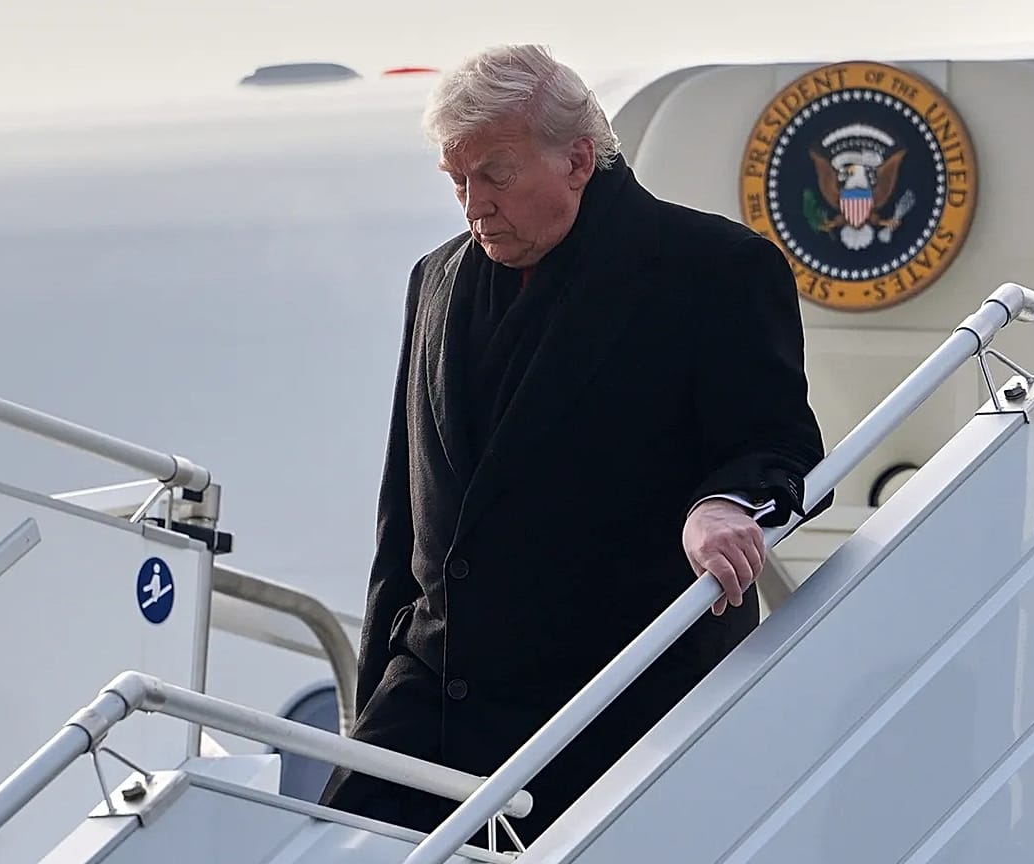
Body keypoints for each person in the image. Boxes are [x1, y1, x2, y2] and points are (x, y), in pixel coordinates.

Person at [318, 44, 828, 847]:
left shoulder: (714, 270)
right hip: (427, 707)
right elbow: (404, 524)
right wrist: (372, 692)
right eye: (457, 180)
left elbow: (781, 445)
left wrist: (722, 504)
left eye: (495, 173)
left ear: (579, 159)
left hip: (611, 711)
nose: (473, 204)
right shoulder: (435, 278)